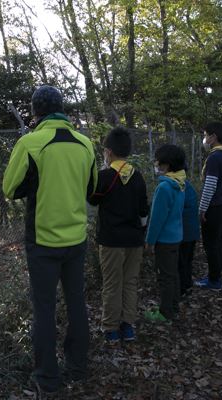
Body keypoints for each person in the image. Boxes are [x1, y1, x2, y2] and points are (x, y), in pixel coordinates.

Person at [2, 85, 97, 393]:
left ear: (35, 112)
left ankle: (48, 379)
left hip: (43, 241)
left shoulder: (31, 142)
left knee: (43, 308)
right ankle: (78, 367)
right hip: (76, 237)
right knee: (76, 302)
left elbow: (10, 188)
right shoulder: (86, 144)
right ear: (63, 109)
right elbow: (91, 189)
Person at [88, 127, 149, 344]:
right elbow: (144, 210)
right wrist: (142, 233)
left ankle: (111, 328)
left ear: (108, 151)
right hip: (134, 239)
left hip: (111, 240)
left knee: (112, 284)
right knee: (130, 282)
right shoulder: (138, 176)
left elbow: (93, 200)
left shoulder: (105, 176)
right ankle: (128, 327)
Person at [144, 144, 187, 323]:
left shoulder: (164, 188)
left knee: (165, 277)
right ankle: (173, 307)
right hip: (176, 236)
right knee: (173, 274)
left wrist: (149, 241)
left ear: (167, 165)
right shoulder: (181, 182)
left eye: (158, 162)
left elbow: (156, 219)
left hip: (164, 239)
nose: (156, 165)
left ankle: (165, 313)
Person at [195, 122, 222, 290]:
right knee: (215, 242)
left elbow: (210, 184)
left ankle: (214, 280)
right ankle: (215, 276)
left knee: (211, 244)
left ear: (213, 136)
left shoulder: (215, 157)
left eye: (205, 134)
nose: (205, 138)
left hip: (214, 206)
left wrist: (202, 208)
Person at [178, 173, 201, 297]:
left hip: (184, 231)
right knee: (187, 260)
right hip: (191, 231)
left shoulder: (180, 186)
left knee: (182, 262)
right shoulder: (188, 186)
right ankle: (187, 285)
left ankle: (182, 288)